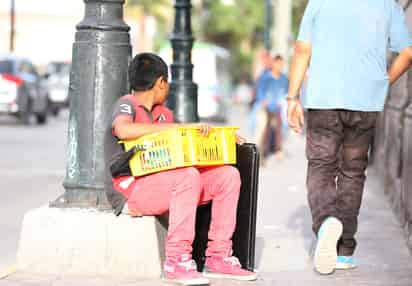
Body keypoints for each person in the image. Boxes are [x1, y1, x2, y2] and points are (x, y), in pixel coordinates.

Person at [104, 53, 257, 285]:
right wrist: (177, 129)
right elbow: (123, 130)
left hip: (165, 182)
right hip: (130, 191)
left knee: (227, 176)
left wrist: (221, 138)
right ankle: (177, 260)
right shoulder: (127, 103)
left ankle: (218, 256)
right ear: (161, 83)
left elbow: (185, 150)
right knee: (187, 177)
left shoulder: (164, 115)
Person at [287, 0, 412, 275]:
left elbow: (302, 48)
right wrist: (383, 82)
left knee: (321, 166)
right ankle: (344, 251)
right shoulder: (387, 5)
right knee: (352, 172)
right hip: (366, 102)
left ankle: (326, 222)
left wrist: (293, 96)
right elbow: (408, 51)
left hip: (324, 99)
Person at [265, 55, 289, 159]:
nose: (279, 66)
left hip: (279, 107)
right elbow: (261, 90)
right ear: (273, 64)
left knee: (279, 128)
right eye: (278, 64)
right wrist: (263, 100)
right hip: (267, 107)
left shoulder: (284, 78)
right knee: (266, 129)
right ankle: (265, 151)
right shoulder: (266, 77)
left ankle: (278, 149)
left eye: (281, 64)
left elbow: (287, 92)